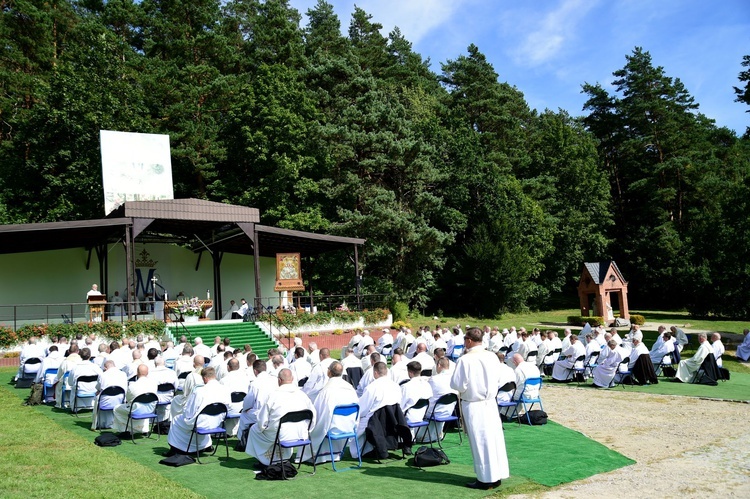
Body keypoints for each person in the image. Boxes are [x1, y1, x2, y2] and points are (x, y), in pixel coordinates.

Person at [451, 327, 508, 490]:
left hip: (474, 403)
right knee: (494, 439)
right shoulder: (492, 356)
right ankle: (496, 475)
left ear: (469, 340)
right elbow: (498, 378)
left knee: (481, 442)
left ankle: (485, 479)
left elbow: (458, 384)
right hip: (490, 402)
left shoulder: (465, 360)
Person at [246, 368, 317, 467]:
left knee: (254, 429)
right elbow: (313, 415)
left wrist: (262, 427)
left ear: (279, 380)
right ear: (292, 379)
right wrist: (307, 430)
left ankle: (265, 461)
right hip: (300, 434)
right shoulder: (303, 395)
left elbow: (262, 421)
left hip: (279, 435)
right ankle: (283, 457)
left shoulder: (273, 396)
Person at [166, 366, 231, 455]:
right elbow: (228, 407)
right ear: (215, 376)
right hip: (218, 422)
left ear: (204, 378)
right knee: (198, 419)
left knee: (176, 420)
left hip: (201, 422)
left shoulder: (200, 391)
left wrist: (186, 414)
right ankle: (206, 445)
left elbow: (189, 412)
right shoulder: (225, 389)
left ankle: (175, 449)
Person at [307, 361, 358, 464]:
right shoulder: (350, 388)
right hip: (348, 427)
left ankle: (316, 455)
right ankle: (336, 453)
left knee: (313, 426)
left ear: (329, 372)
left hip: (333, 428)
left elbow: (318, 413)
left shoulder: (327, 391)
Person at [350, 361, 401, 459]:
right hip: (393, 421)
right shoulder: (396, 386)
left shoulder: (371, 388)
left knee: (356, 423)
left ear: (375, 373)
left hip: (375, 421)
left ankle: (359, 452)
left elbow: (363, 408)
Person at [112, 364, 158, 436]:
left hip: (136, 410)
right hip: (150, 409)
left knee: (116, 408)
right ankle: (143, 429)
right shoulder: (154, 384)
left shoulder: (132, 385)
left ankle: (125, 430)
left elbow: (128, 399)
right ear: (147, 373)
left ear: (137, 373)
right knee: (142, 406)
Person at [91, 360, 128, 429]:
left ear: (105, 368)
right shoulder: (123, 374)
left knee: (97, 395)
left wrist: (99, 391)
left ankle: (100, 423)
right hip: (120, 400)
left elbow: (98, 387)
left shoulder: (103, 375)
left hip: (105, 401)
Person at [399, 361, 433, 437]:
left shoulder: (406, 387)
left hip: (408, 418)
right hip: (422, 415)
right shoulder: (427, 385)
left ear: (410, 372)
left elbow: (400, 406)